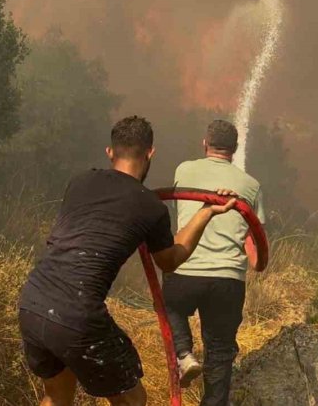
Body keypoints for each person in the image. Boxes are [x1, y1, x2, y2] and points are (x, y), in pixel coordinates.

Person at [18, 115, 238, 406]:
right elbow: (170, 261)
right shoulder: (149, 206)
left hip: (32, 303)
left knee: (56, 396)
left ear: (110, 152)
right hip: (77, 312)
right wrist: (205, 213)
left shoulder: (79, 182)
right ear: (150, 153)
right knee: (133, 400)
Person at [162, 119, 265, 406]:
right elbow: (255, 236)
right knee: (219, 351)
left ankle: (184, 354)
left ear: (205, 144)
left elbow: (180, 210)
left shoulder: (184, 170)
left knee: (169, 303)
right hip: (228, 279)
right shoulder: (252, 186)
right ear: (235, 149)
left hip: (185, 268)